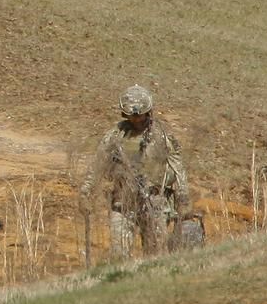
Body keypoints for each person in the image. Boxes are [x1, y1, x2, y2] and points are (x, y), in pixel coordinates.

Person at [80, 85, 191, 260]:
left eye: (140, 114)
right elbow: (98, 164)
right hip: (123, 204)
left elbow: (178, 168)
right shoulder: (116, 135)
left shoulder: (162, 136)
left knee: (155, 255)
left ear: (148, 111)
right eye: (132, 115)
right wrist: (86, 192)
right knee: (119, 256)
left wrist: (183, 199)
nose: (136, 119)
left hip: (155, 203)